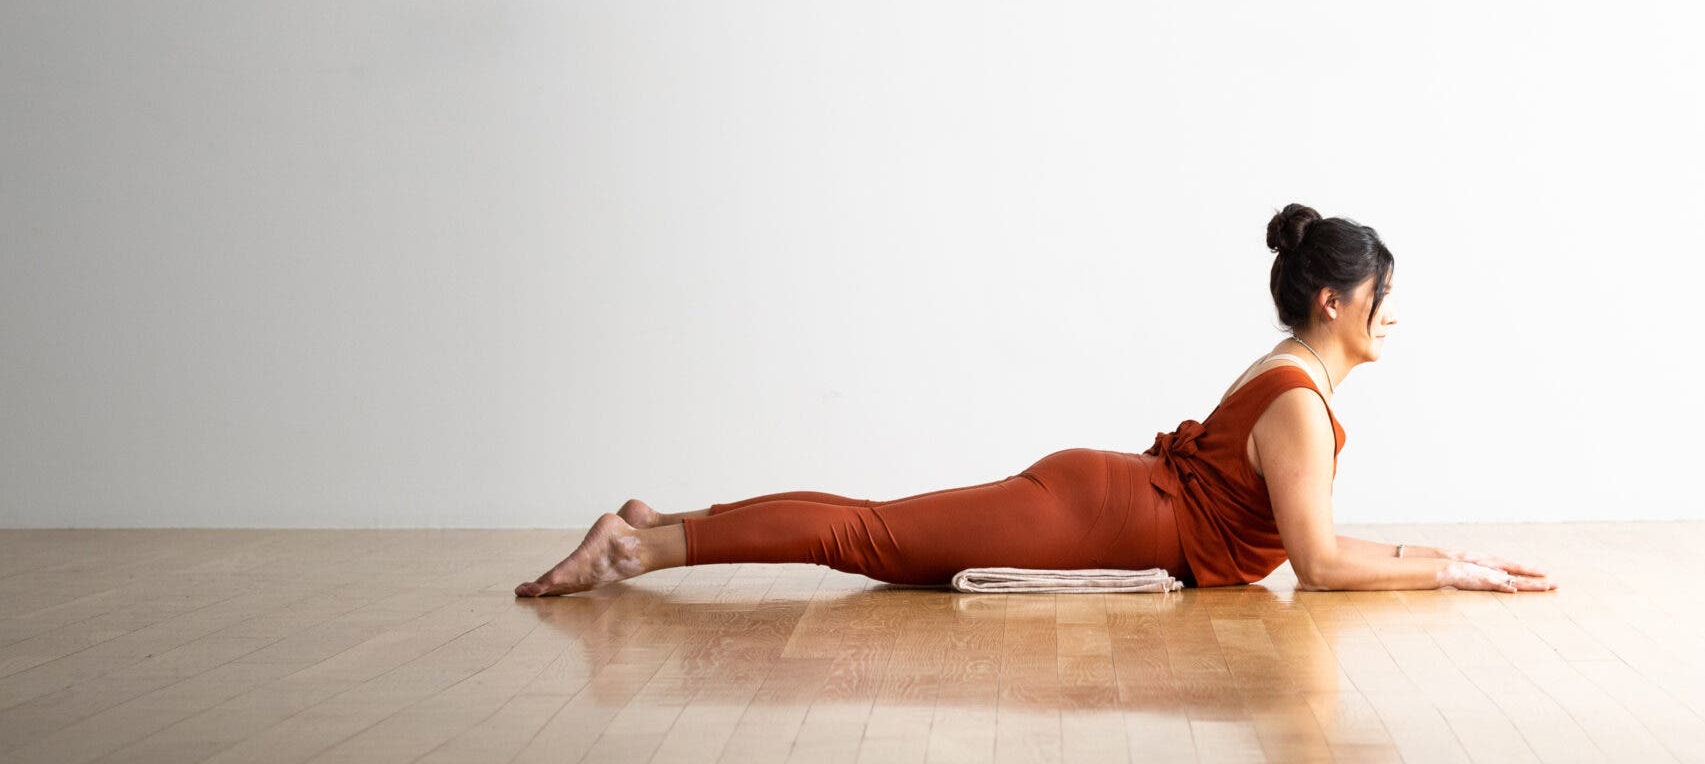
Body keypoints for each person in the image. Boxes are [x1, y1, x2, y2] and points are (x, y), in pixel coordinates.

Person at [513, 203, 1555, 596]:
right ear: (1333, 301)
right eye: (1380, 297)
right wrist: (1448, 569)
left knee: (877, 535)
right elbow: (1319, 566)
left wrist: (1436, 558)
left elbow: (1309, 542)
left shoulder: (1290, 375)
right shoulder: (1295, 401)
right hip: (1096, 509)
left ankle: (666, 527)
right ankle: (637, 547)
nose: (1391, 314)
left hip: (1105, 501)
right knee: (869, 540)